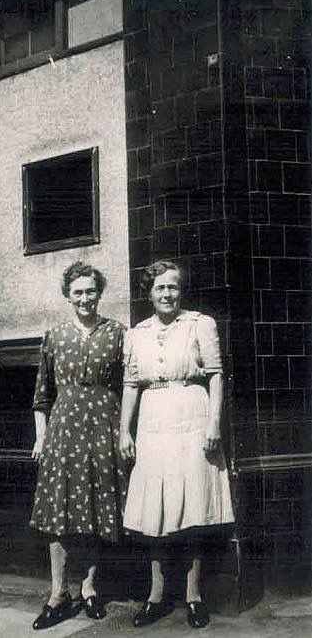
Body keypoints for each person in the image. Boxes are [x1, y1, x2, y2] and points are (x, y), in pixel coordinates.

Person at [119, 259, 234, 629]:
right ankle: (155, 596)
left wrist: (214, 423)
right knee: (156, 508)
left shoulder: (201, 324)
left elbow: (216, 375)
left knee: (193, 507)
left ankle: (193, 595)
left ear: (181, 291)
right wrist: (125, 431)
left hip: (193, 416)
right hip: (153, 419)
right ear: (148, 294)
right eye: (160, 288)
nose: (167, 294)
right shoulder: (137, 332)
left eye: (173, 287)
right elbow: (131, 385)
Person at [29, 261, 126, 630]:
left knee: (100, 510)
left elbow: (127, 388)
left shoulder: (117, 333)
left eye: (91, 291)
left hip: (105, 428)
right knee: (60, 512)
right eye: (78, 292)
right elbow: (42, 395)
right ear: (67, 296)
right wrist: (41, 437)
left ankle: (89, 588)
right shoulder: (54, 336)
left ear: (99, 293)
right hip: (64, 430)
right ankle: (58, 594)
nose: (85, 298)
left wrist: (125, 432)